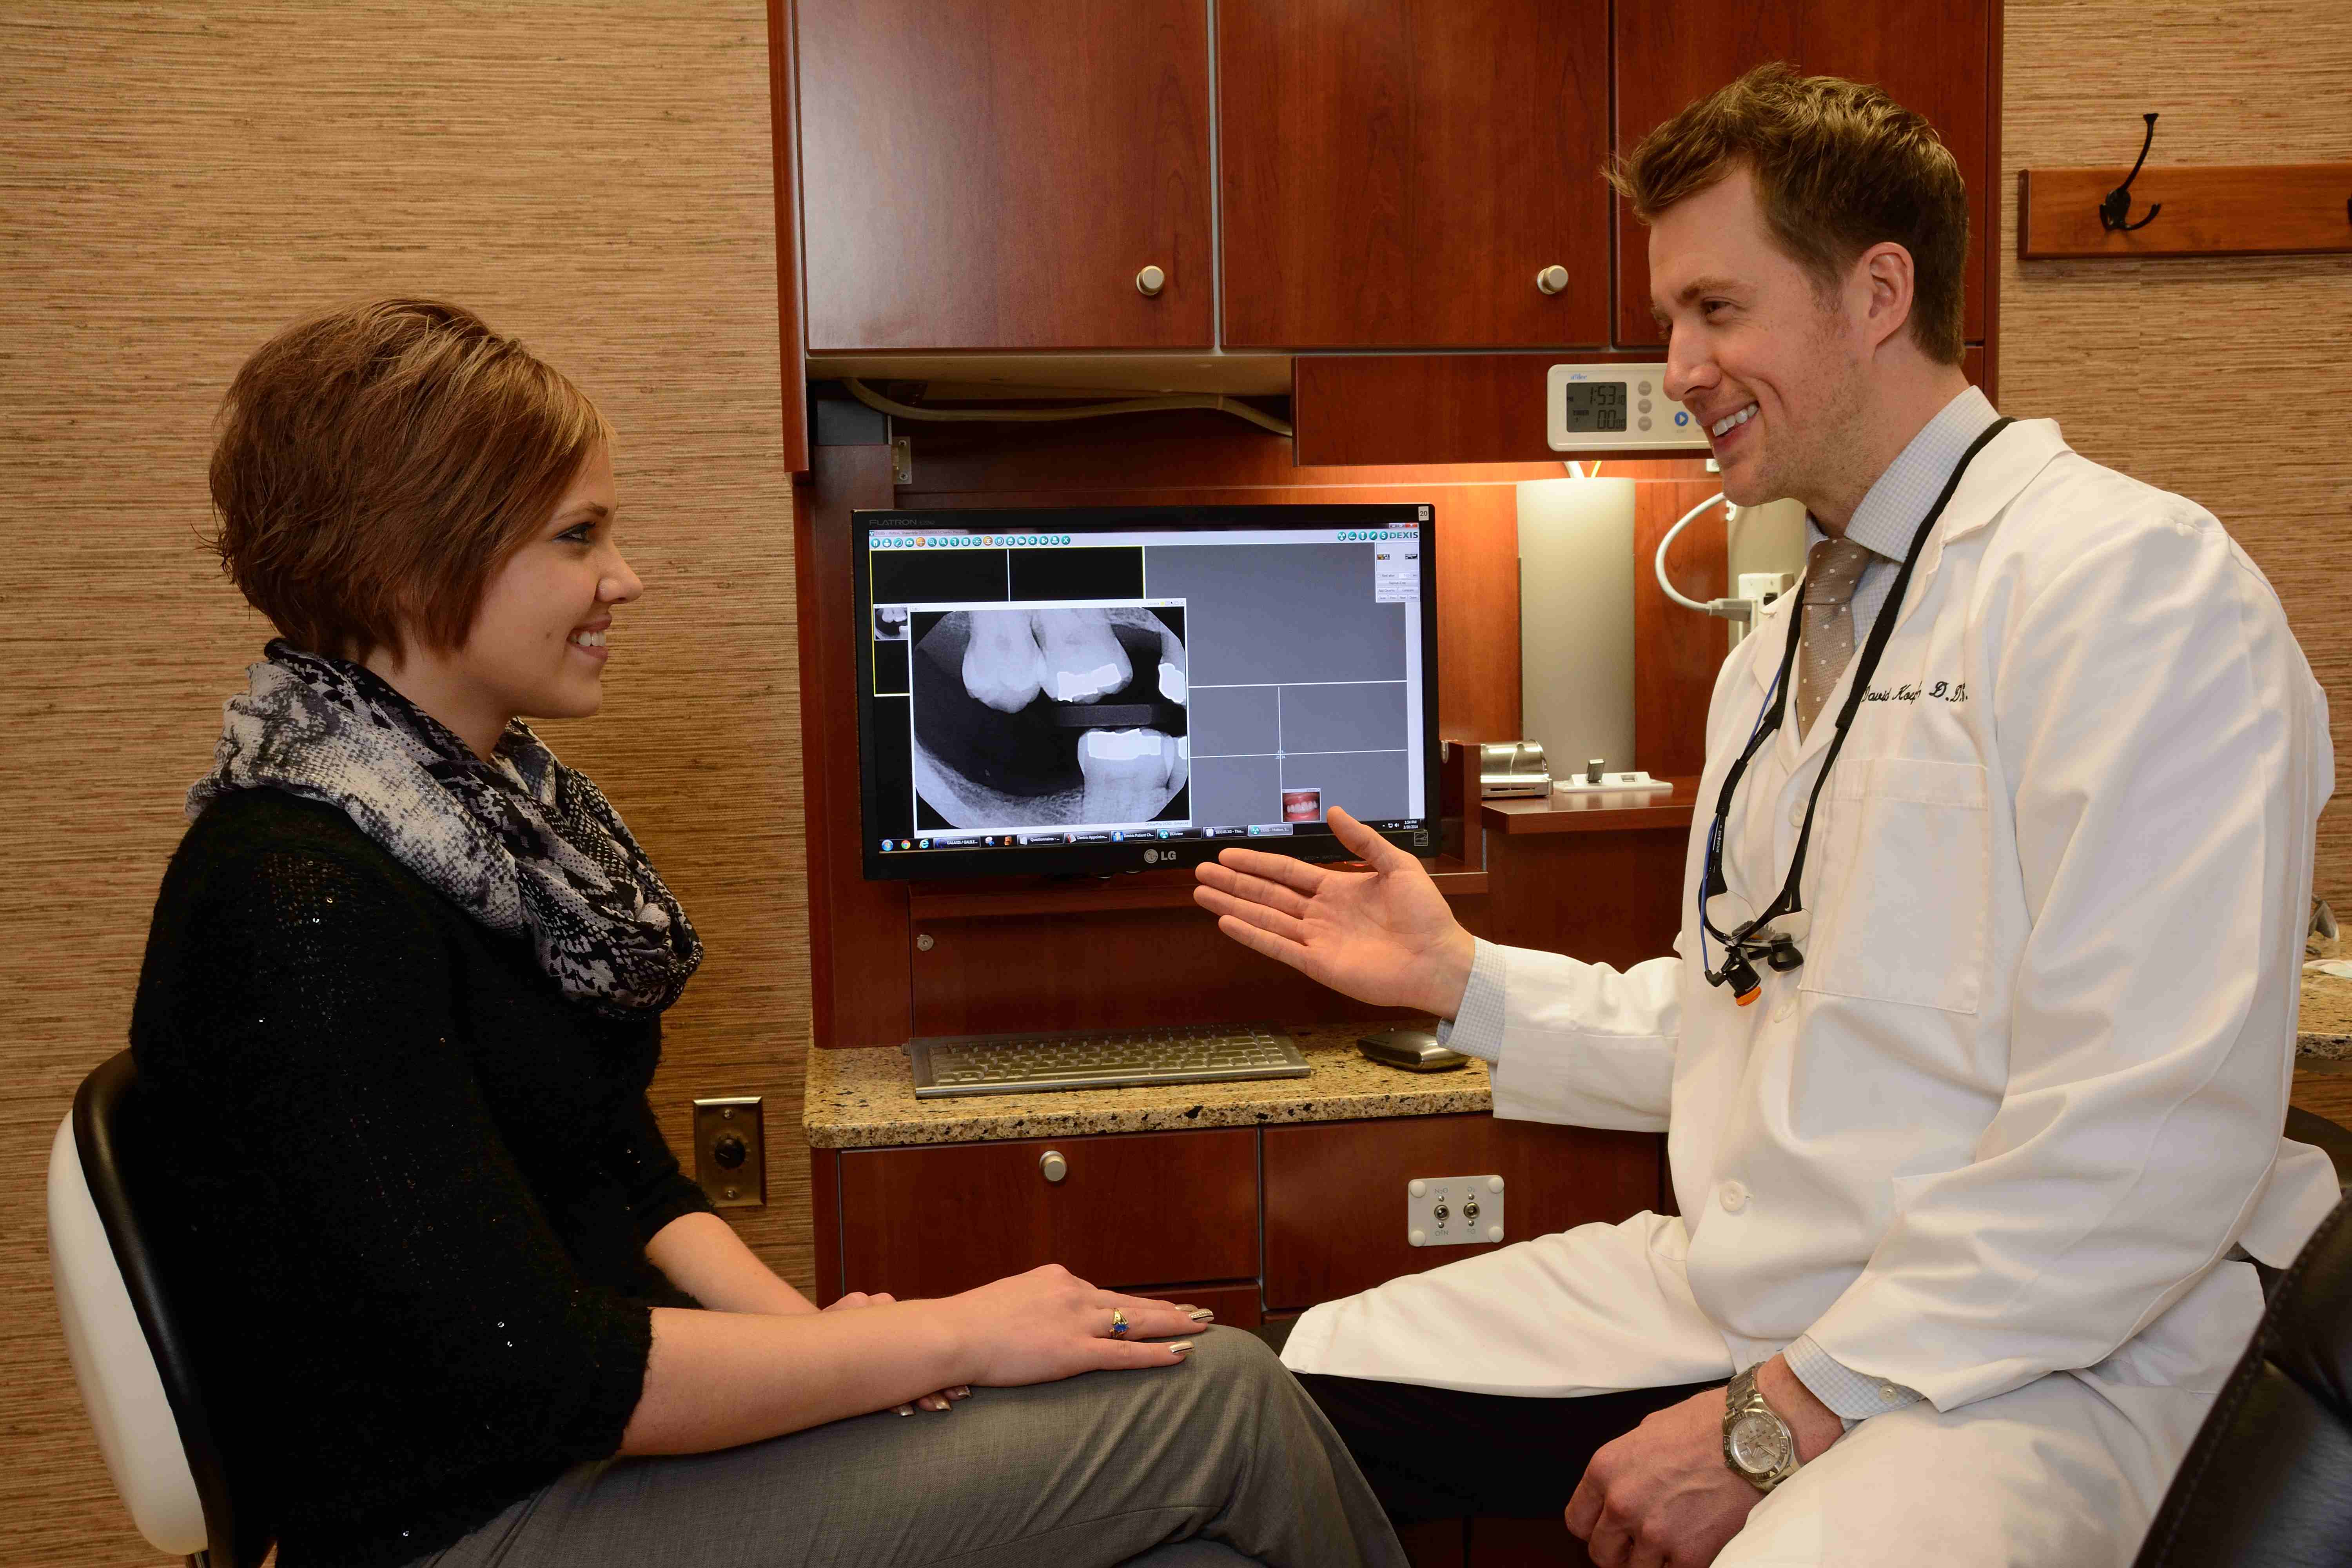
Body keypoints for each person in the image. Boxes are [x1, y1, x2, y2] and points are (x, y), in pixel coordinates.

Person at [1196, 65, 2336, 1568]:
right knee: (1278, 1407)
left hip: (2047, 1359)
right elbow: (1752, 1020)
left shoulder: (2132, 591)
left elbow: (2149, 1133)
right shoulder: (1781, 650)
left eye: (1716, 311)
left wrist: (1781, 1414)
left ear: (1878, 294)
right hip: (1763, 1293)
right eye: (1671, 319)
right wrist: (1459, 978)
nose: (1677, 368)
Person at [129, 299, 1406, 1568]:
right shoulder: (295, 900)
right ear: (415, 564)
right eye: (578, 537)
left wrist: (842, 1354)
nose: (623, 578)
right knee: (1222, 1399)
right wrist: (939, 1339)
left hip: (573, 1454)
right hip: (471, 1526)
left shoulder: (483, 843)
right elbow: (545, 1375)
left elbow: (623, 1181)